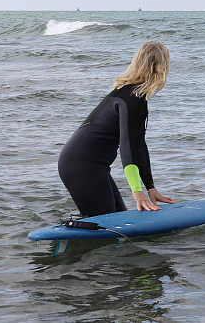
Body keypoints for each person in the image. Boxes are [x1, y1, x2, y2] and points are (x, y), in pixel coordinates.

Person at [58, 41, 176, 217]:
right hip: (81, 163)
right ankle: (73, 238)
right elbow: (127, 147)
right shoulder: (131, 98)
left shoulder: (134, 96)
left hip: (88, 162)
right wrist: (137, 192)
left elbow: (139, 146)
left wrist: (150, 187)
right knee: (108, 224)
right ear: (160, 68)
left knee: (118, 217)